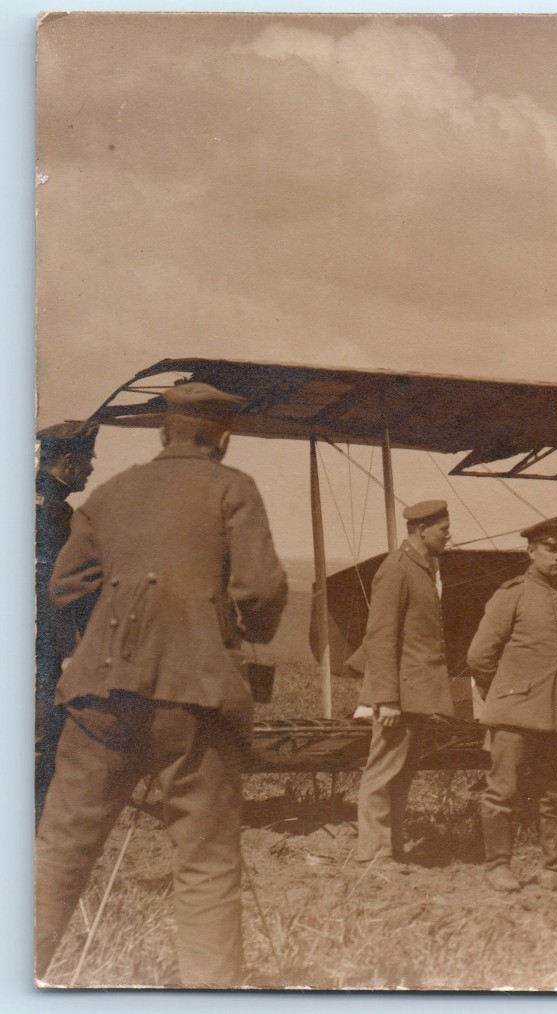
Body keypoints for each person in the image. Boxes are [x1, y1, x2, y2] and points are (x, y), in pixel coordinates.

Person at [36, 382, 287, 986]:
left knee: (60, 849)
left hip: (98, 695)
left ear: (163, 431)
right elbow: (260, 592)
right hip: (193, 695)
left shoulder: (110, 493)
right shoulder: (232, 489)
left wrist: (115, 629)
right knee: (205, 860)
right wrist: (234, 628)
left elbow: (64, 590)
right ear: (223, 437)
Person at [466, 517, 557, 897]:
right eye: (551, 549)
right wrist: (507, 693)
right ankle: (498, 866)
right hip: (514, 715)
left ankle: (556, 869)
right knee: (503, 791)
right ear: (531, 551)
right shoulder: (512, 594)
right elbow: (479, 657)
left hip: (556, 715)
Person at [354, 499, 455, 869]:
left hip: (416, 694)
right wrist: (386, 698)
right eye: (443, 530)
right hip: (398, 695)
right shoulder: (397, 569)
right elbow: (380, 638)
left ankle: (390, 849)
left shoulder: (423, 568)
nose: (448, 536)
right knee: (382, 773)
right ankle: (373, 853)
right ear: (422, 529)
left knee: (401, 774)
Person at [35, 419, 98, 821]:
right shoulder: (54, 514)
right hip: (40, 646)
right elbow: (54, 591)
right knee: (42, 733)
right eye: (87, 460)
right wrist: (74, 646)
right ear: (70, 462)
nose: (91, 468)